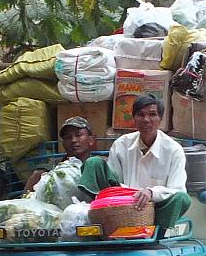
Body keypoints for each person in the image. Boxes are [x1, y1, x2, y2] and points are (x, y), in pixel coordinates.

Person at [77, 94, 192, 230]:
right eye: (140, 115)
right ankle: (102, 217)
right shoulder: (121, 144)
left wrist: (151, 192)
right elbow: (113, 182)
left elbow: (177, 189)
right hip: (120, 205)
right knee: (93, 163)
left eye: (152, 114)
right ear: (134, 119)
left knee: (182, 199)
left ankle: (157, 234)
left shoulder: (174, 150)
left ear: (160, 119)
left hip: (155, 209)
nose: (146, 120)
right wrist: (127, 196)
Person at [24, 116, 108, 192]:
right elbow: (27, 196)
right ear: (63, 144)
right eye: (68, 137)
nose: (73, 140)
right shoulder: (54, 165)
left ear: (91, 140)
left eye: (78, 135)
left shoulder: (101, 164)